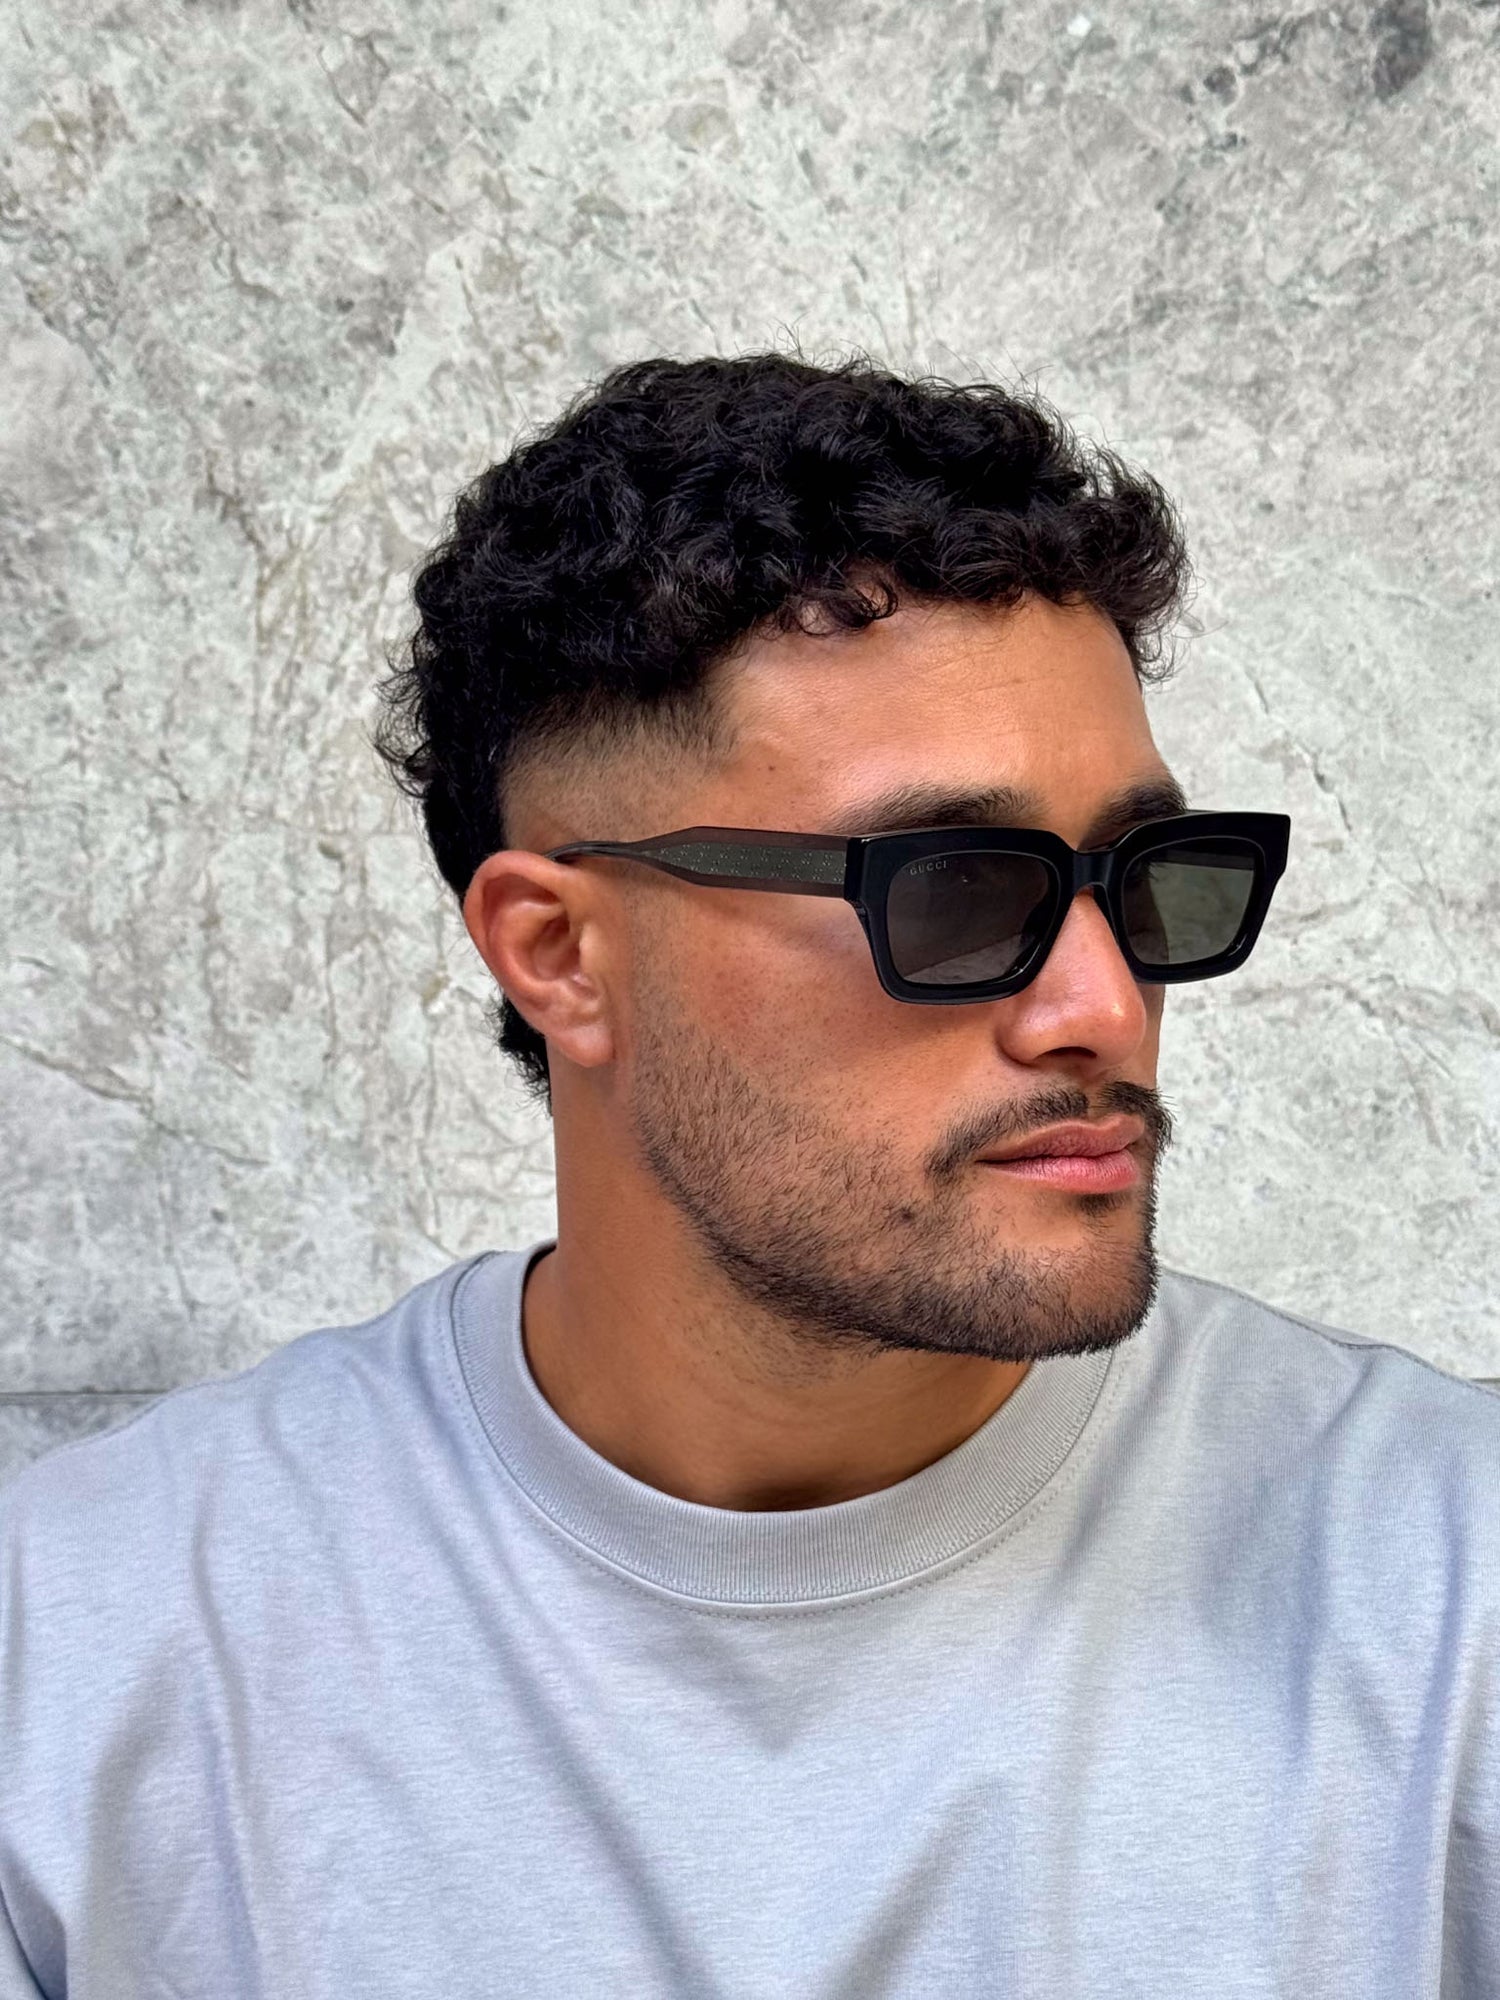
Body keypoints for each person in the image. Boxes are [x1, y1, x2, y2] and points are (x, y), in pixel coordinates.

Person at [1, 353, 1495, 1999]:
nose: (1104, 1006)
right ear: (559, 953)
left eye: (1143, 879)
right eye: (953, 889)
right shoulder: (91, 1653)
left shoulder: (1446, 1595)